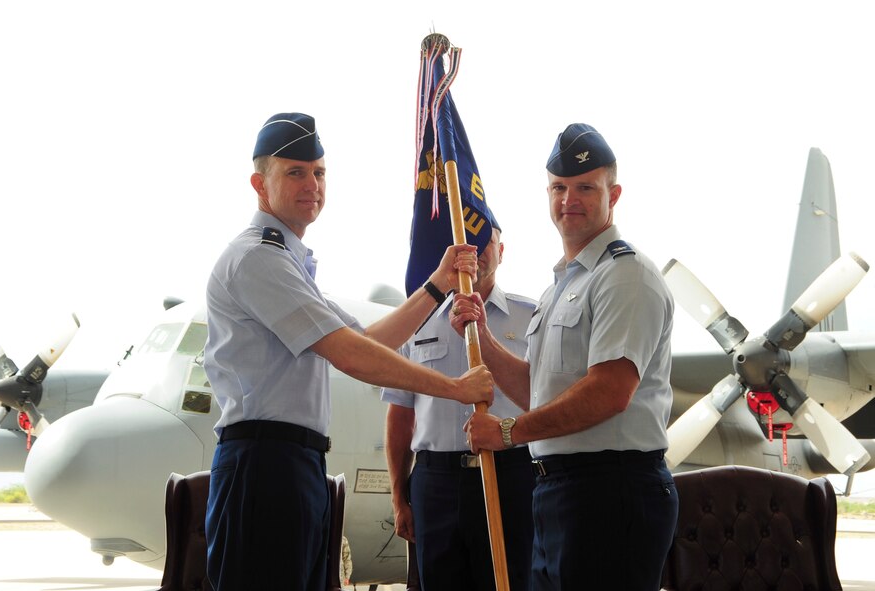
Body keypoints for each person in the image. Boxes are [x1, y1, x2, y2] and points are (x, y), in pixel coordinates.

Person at [203, 112, 494, 591]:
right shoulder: (258, 258)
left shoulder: (288, 262)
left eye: (319, 172)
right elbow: (351, 356)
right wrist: (454, 388)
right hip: (263, 465)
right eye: (294, 172)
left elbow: (370, 340)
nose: (311, 183)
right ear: (260, 183)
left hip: (294, 464)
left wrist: (438, 285)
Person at [455, 123, 679, 591]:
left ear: (613, 195)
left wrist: (507, 433)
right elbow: (539, 392)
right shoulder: (562, 286)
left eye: (584, 188)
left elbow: (610, 392)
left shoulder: (625, 275)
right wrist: (483, 338)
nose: (568, 200)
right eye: (559, 188)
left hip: (610, 491)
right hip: (560, 493)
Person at [382, 227, 536, 591]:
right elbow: (401, 414)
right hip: (436, 483)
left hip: (511, 475)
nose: (476, 250)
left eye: (485, 241)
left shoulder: (532, 317)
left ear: (502, 250)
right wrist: (398, 496)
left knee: (511, 581)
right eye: (465, 241)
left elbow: (547, 399)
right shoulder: (417, 319)